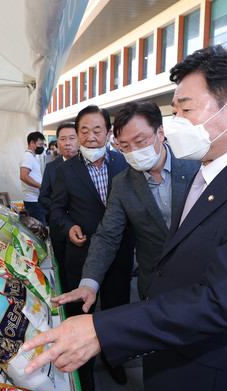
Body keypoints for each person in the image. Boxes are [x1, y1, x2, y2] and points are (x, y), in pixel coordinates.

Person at [24, 45, 227, 391]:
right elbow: (110, 235)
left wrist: (102, 329)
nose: (176, 121)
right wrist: (91, 282)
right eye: (173, 110)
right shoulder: (207, 168)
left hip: (209, 365)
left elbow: (222, 301)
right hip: (164, 336)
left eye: (185, 108)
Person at [53, 101, 199, 311]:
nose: (134, 152)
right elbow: (107, 235)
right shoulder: (123, 183)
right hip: (154, 283)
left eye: (140, 141)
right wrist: (89, 283)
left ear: (160, 133)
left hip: (203, 277)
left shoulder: (195, 165)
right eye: (126, 146)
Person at [48, 105, 134, 391]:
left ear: (109, 133)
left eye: (98, 129)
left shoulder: (125, 164)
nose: (91, 136)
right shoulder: (65, 170)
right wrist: (68, 227)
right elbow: (56, 210)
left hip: (119, 255)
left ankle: (114, 361)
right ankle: (82, 371)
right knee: (78, 314)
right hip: (81, 258)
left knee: (115, 311)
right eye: (84, 130)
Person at [38, 122, 78, 282]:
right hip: (59, 227)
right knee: (62, 266)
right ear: (57, 142)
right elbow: (43, 197)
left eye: (72, 138)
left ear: (79, 140)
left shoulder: (87, 165)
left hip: (82, 227)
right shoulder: (51, 167)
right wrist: (60, 211)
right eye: (63, 138)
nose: (67, 142)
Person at [20, 131, 46, 224]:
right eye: (40, 144)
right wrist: (40, 186)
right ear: (32, 143)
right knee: (39, 228)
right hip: (33, 200)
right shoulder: (28, 157)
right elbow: (23, 176)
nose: (41, 147)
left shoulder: (33, 156)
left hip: (36, 199)